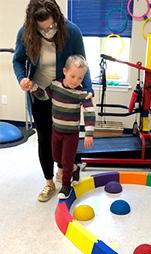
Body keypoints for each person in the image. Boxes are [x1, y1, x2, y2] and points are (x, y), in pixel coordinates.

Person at [13, 0, 93, 202]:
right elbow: (18, 60)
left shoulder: (71, 31)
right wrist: (22, 77)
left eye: (50, 25)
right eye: (42, 27)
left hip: (65, 93)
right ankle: (49, 182)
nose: (48, 29)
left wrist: (89, 90)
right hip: (40, 93)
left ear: (56, 17)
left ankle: (66, 170)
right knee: (45, 138)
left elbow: (82, 61)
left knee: (66, 136)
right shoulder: (26, 33)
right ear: (33, 24)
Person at [31, 55, 95, 199]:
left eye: (80, 78)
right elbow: (43, 96)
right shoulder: (55, 86)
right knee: (56, 157)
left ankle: (66, 186)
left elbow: (90, 111)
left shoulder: (81, 93)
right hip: (56, 131)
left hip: (71, 134)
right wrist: (33, 87)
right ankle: (75, 168)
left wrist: (89, 133)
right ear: (65, 71)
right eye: (72, 76)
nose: (75, 81)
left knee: (66, 161)